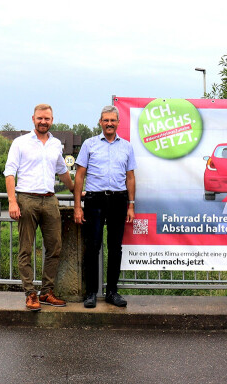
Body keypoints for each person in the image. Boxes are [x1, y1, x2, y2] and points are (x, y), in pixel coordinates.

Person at [4, 104, 74, 311]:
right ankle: (30, 293)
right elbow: (10, 172)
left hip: (50, 200)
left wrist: (75, 191)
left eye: (47, 119)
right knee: (26, 249)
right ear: (33, 119)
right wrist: (12, 201)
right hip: (27, 199)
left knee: (54, 247)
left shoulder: (55, 144)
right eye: (40, 118)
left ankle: (46, 292)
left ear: (52, 120)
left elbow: (62, 171)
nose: (44, 122)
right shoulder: (20, 142)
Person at [74, 105, 136, 309]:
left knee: (115, 248)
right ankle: (91, 292)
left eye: (113, 120)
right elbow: (80, 176)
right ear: (100, 122)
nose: (109, 123)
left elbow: (130, 177)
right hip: (95, 201)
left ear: (119, 122)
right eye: (105, 120)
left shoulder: (127, 146)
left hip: (119, 201)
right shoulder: (89, 144)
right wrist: (77, 206)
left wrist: (131, 205)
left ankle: (112, 292)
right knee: (93, 247)